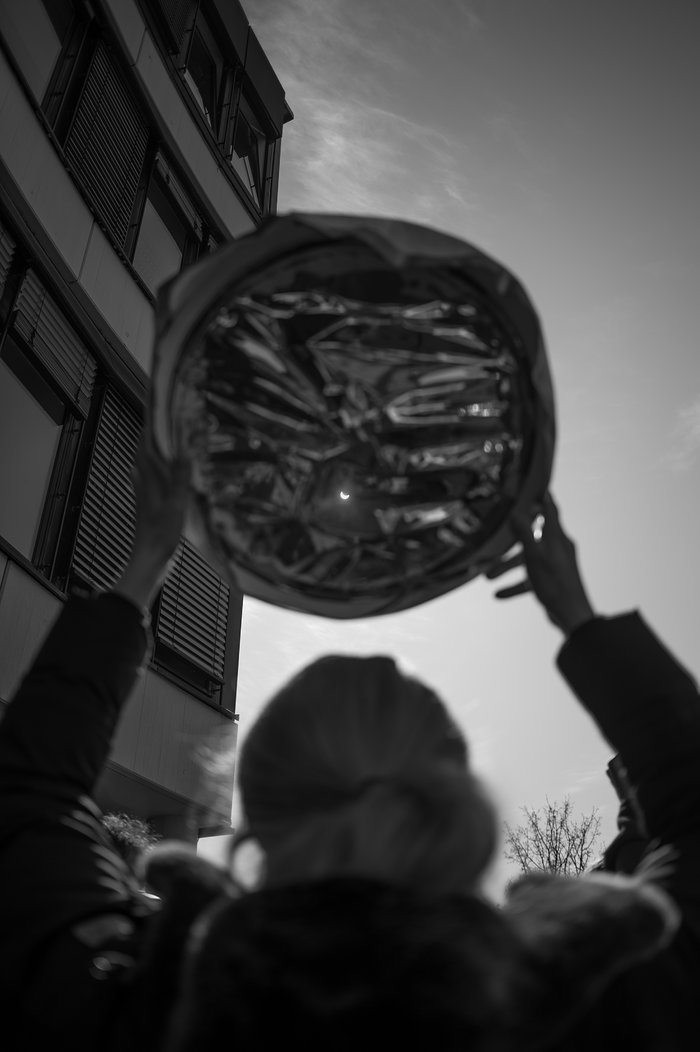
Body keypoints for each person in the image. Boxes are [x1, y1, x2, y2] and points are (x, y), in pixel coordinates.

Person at [0, 443, 696, 1051]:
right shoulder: (598, 1005)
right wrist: (578, 617)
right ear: (455, 799)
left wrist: (141, 570)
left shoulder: (142, 1005)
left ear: (262, 807)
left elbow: (29, 794)